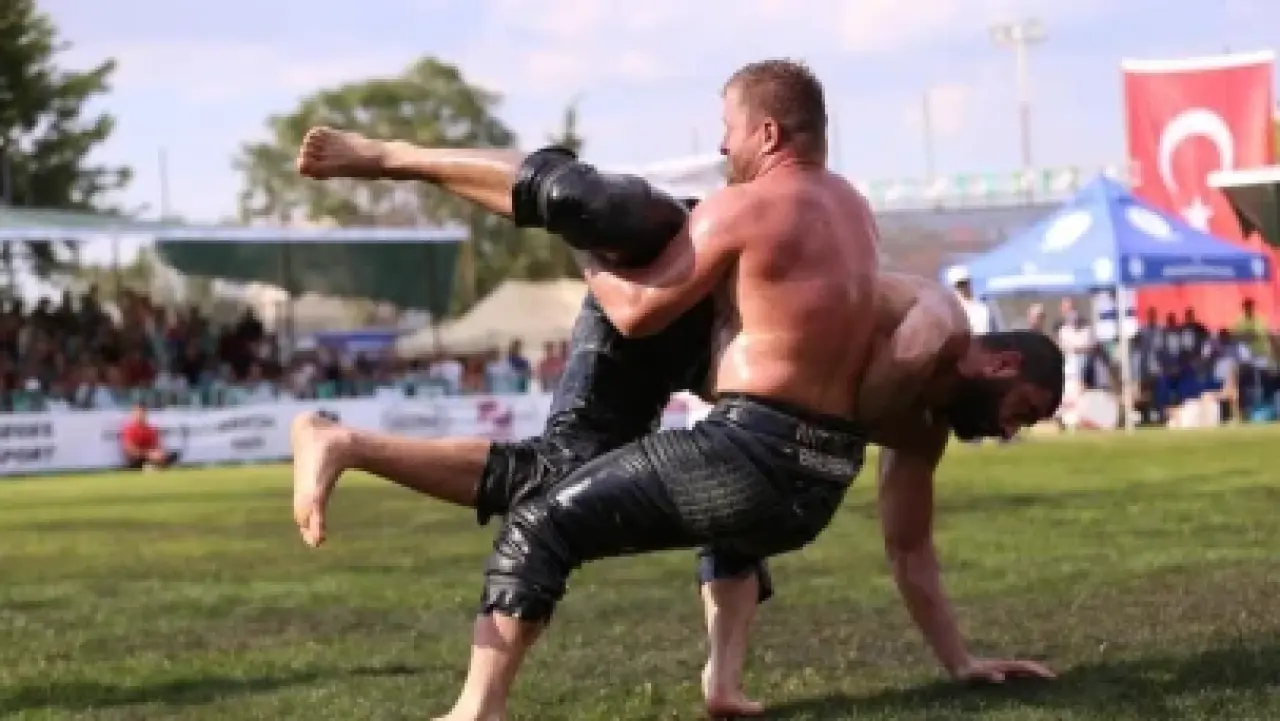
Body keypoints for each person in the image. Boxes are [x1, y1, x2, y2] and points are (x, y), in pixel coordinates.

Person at [293, 59, 1061, 720]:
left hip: (754, 430)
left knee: (552, 495)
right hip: (776, 445)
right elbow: (908, 508)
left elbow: (909, 548)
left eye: (729, 130)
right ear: (998, 365)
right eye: (1022, 412)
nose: (723, 145)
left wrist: (587, 254)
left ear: (766, 133)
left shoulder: (783, 224)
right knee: (604, 243)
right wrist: (959, 658)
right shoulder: (867, 240)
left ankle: (482, 697)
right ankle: (395, 168)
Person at [120, 404, 179, 470]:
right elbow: (130, 450)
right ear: (133, 415)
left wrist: (159, 453)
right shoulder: (129, 429)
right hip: (139, 457)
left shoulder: (151, 429)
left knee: (173, 454)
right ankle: (153, 466)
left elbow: (157, 445)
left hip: (151, 456)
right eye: (137, 413)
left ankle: (153, 465)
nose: (140, 416)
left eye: (142, 413)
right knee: (135, 460)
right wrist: (148, 454)